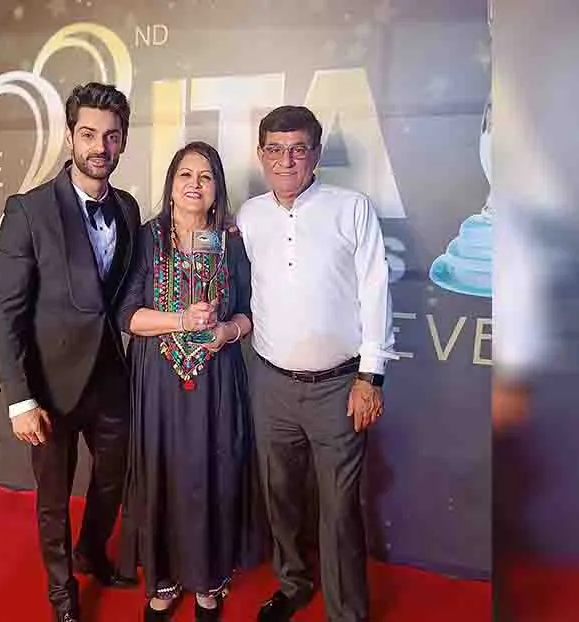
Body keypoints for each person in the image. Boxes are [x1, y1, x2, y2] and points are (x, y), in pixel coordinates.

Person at [235, 105, 396, 622]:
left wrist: (370, 376)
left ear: (317, 155)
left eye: (298, 148)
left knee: (340, 510)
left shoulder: (352, 208)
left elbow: (375, 289)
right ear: (261, 155)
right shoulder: (249, 215)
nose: (286, 160)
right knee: (279, 498)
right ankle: (293, 583)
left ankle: (347, 612)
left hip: (339, 387)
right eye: (275, 149)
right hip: (271, 384)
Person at [0, 82, 140, 622]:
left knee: (113, 479)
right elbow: (5, 312)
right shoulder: (28, 210)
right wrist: (19, 399)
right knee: (53, 500)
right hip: (49, 388)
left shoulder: (126, 207)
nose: (100, 147)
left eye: (112, 136)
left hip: (109, 381)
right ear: (71, 137)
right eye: (90, 134)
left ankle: (91, 551)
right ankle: (62, 596)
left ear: (122, 142)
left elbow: (129, 286)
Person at [116, 141, 266, 621]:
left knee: (211, 471)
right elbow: (128, 317)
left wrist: (226, 330)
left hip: (217, 378)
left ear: (217, 187)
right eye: (186, 174)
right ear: (171, 184)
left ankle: (207, 580)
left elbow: (250, 313)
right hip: (158, 381)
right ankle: (163, 579)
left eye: (205, 176)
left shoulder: (230, 241)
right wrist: (180, 319)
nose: (195, 184)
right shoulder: (147, 238)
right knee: (163, 471)